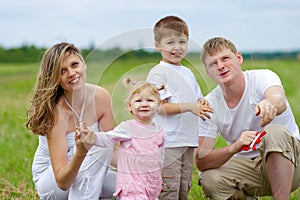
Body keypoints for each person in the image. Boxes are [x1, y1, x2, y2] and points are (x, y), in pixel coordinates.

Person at [194, 37, 300, 199]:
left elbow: (278, 99)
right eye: (213, 64)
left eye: (225, 58)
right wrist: (234, 147)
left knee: (274, 132)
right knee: (210, 179)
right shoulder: (210, 104)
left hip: (292, 164)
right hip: (248, 168)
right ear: (208, 72)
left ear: (239, 58)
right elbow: (201, 161)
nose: (220, 66)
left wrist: (270, 104)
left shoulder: (262, 78)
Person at [25, 42, 118, 200]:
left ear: (84, 63)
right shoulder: (56, 113)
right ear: (55, 78)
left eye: (75, 64)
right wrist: (81, 152)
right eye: (62, 71)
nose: (72, 73)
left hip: (87, 169)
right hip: (53, 182)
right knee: (97, 142)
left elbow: (113, 151)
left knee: (130, 185)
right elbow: (62, 181)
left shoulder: (101, 97)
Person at [146, 15, 214, 199]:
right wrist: (191, 107)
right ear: (157, 45)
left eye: (182, 42)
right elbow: (159, 107)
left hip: (187, 141)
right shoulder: (158, 73)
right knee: (169, 187)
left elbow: (197, 98)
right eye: (170, 42)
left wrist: (201, 103)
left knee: (184, 186)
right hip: (168, 143)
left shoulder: (187, 72)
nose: (177, 48)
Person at [77, 80, 166, 200]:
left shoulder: (160, 132)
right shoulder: (128, 128)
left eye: (150, 100)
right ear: (130, 106)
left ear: (159, 105)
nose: (144, 104)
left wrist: (158, 179)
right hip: (132, 186)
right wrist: (92, 137)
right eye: (138, 101)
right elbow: (108, 138)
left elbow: (159, 159)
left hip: (151, 185)